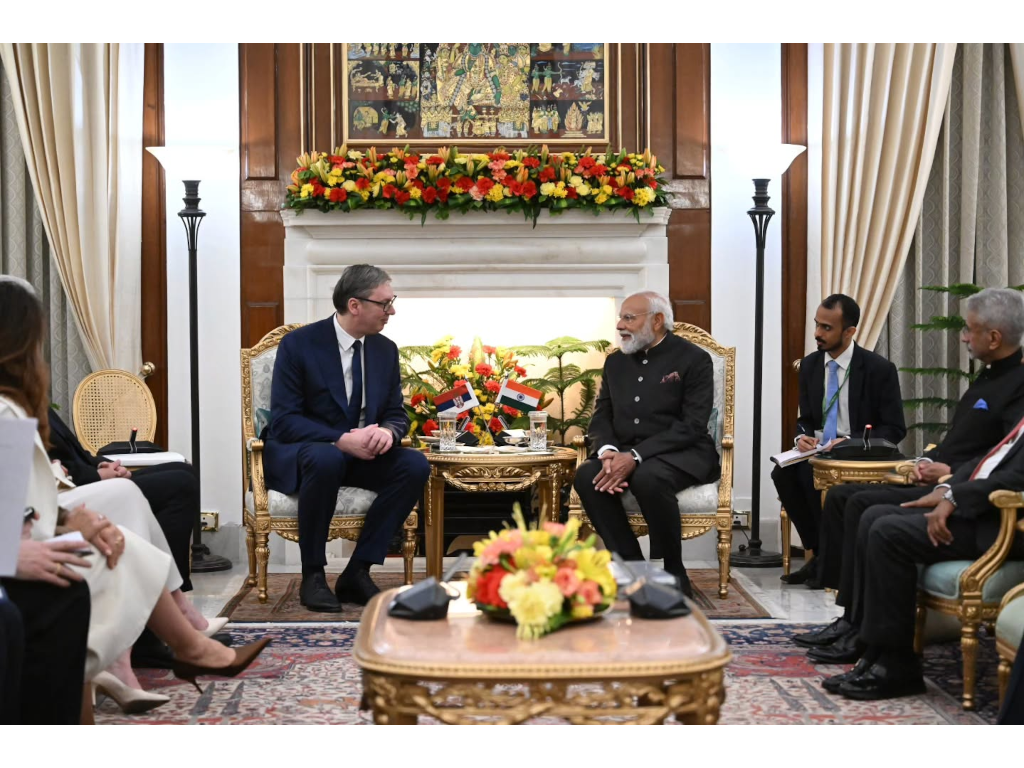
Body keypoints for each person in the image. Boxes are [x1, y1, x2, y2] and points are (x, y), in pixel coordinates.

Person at [0, 276, 270, 712]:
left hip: (35, 524)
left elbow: (16, 507)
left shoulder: (12, 407)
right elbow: (14, 516)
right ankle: (177, 648)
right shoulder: (6, 412)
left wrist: (66, 519)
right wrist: (36, 539)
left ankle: (178, 647)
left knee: (124, 532)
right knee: (117, 541)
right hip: (21, 546)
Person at [799, 288, 1024, 662]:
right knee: (845, 498)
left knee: (876, 519)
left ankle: (886, 656)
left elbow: (1004, 462)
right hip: (947, 485)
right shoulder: (989, 377)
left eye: (968, 330)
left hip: (979, 508)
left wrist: (951, 481)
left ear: (994, 337)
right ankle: (852, 621)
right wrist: (929, 463)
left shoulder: (1017, 385)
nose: (963, 337)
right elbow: (975, 446)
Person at [264, 265, 429, 613]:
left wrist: (387, 432)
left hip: (361, 456)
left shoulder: (385, 349)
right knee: (327, 458)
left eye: (392, 302)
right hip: (310, 454)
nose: (392, 311)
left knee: (414, 464)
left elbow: (396, 413)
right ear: (355, 305)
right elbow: (284, 420)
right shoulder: (300, 344)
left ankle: (357, 571)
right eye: (384, 303)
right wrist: (339, 439)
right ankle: (313, 574)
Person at [827, 415, 1024, 700]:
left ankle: (897, 665)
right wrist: (945, 489)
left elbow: (1016, 479)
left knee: (888, 533)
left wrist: (954, 497)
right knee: (874, 516)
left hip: (1000, 524)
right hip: (975, 507)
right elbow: (987, 462)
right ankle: (874, 650)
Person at [573, 292, 720, 598]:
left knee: (648, 476)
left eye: (629, 318)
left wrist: (636, 456)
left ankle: (674, 570)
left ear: (657, 320)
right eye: (621, 318)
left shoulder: (693, 359)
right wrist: (608, 452)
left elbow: (692, 425)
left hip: (683, 452)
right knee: (587, 475)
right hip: (626, 450)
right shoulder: (615, 362)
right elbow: (602, 415)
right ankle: (633, 569)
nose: (620, 325)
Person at [773, 294, 906, 586]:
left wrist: (850, 442)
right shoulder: (810, 366)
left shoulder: (878, 369)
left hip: (857, 452)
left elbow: (894, 429)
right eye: (817, 325)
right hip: (821, 450)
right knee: (782, 473)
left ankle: (828, 562)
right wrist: (802, 436)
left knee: (811, 477)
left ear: (849, 332)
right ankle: (821, 554)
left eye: (827, 328)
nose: (817, 333)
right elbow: (807, 418)